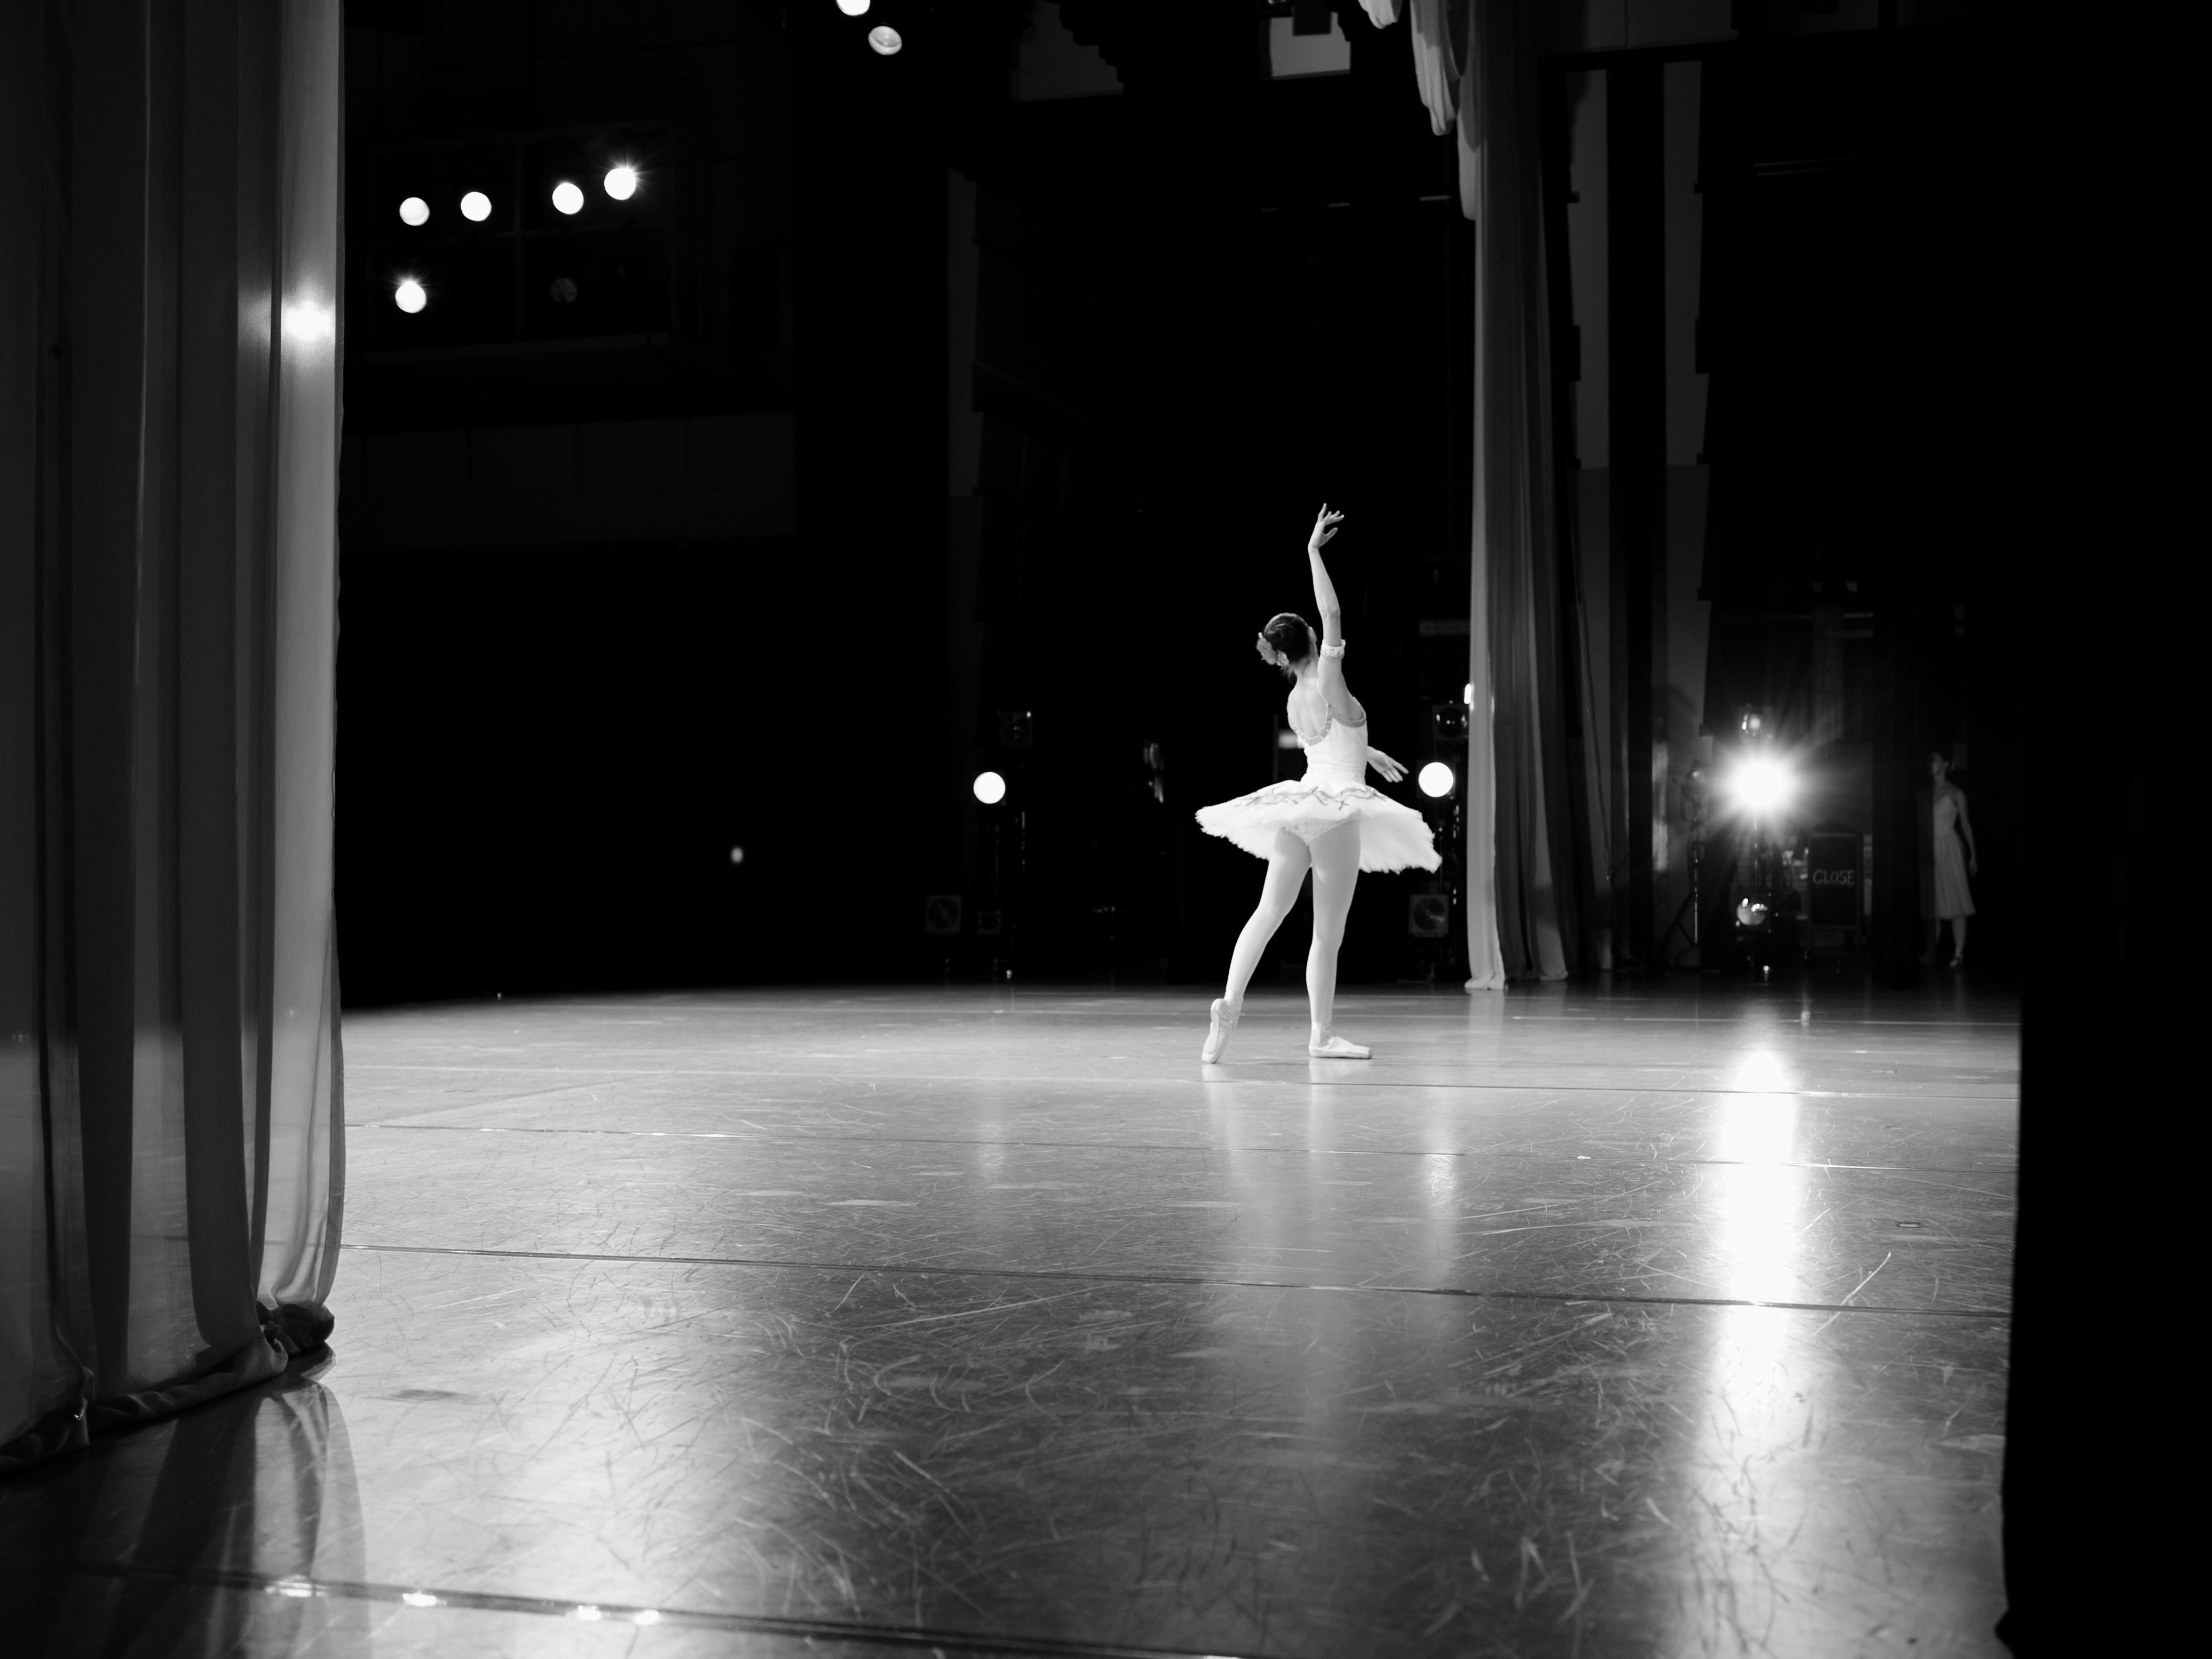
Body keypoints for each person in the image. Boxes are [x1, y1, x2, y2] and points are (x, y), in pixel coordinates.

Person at [1194, 504, 1440, 1062]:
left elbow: (1328, 747)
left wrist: (1367, 751)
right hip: (1335, 811)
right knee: (1326, 934)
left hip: (1299, 804)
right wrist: (1312, 550)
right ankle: (1321, 1034)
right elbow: (1331, 608)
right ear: (1309, 641)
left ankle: (1228, 1008)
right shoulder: (1329, 677)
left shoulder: (1293, 696)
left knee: (1267, 912)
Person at [1919, 750, 1980, 967]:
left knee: (1956, 900)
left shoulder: (1956, 793)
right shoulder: (1927, 793)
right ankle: (1931, 952)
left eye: (1935, 760)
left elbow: (1965, 824)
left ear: (1945, 765)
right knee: (1933, 904)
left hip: (1950, 846)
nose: (1931, 763)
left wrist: (1973, 854)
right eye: (1931, 760)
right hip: (1932, 850)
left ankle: (1958, 953)